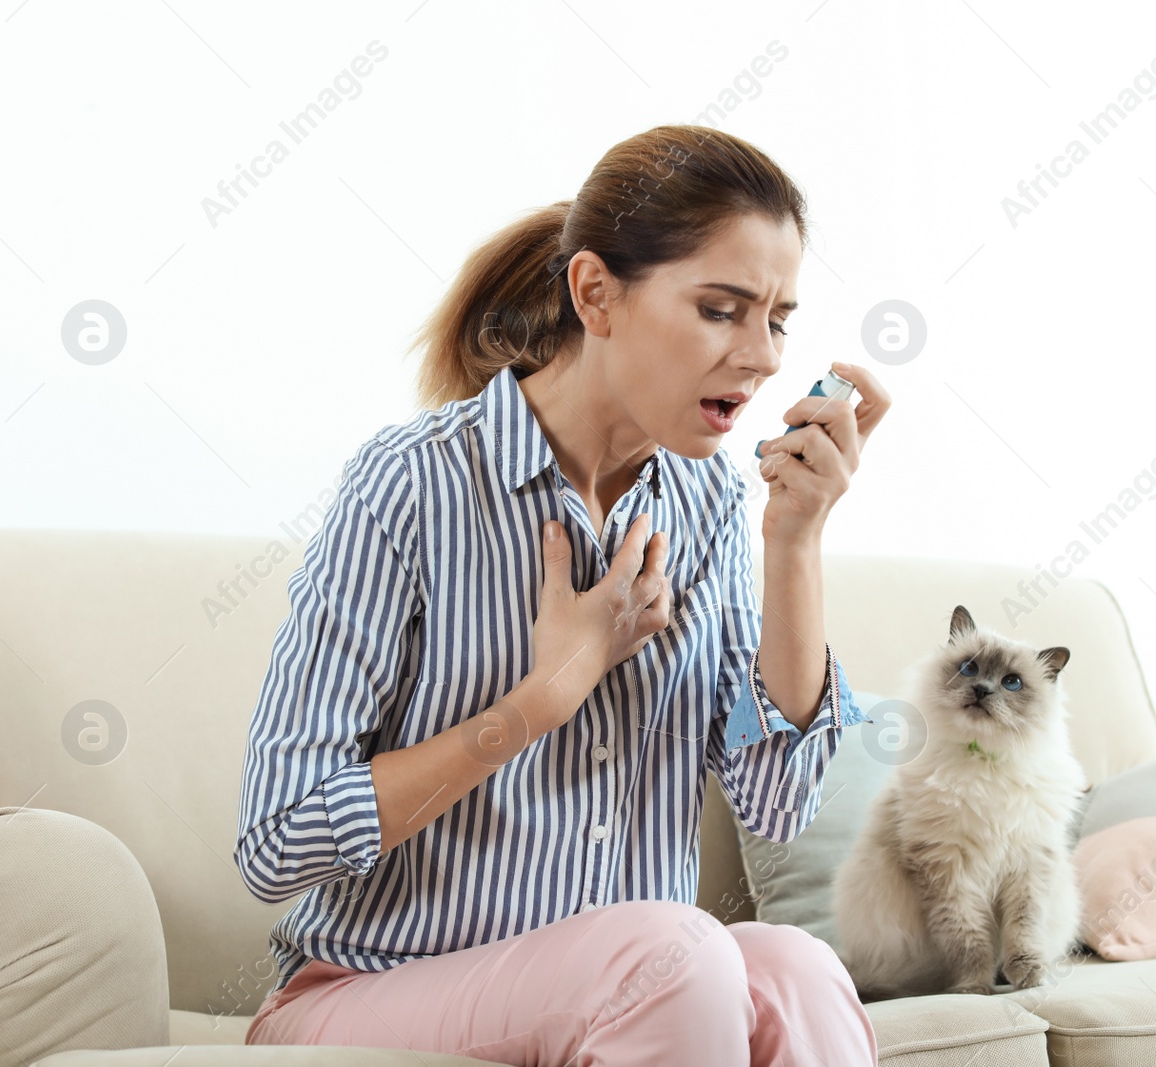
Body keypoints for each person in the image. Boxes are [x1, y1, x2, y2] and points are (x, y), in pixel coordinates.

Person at [234, 123, 891, 1064]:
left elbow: (778, 802)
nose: (762, 356)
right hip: (366, 988)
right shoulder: (412, 485)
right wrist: (544, 697)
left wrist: (794, 542)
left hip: (630, 984)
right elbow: (275, 839)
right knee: (670, 952)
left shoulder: (705, 500)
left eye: (778, 318)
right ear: (595, 294)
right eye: (721, 309)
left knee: (795, 968)